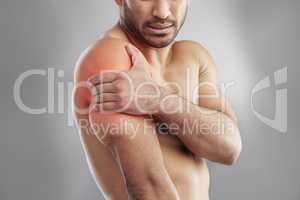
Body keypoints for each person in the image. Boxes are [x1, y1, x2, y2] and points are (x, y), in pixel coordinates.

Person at [73, 0, 242, 199]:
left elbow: (229, 148)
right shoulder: (110, 57)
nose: (162, 12)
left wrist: (157, 99)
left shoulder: (193, 56)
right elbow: (149, 187)